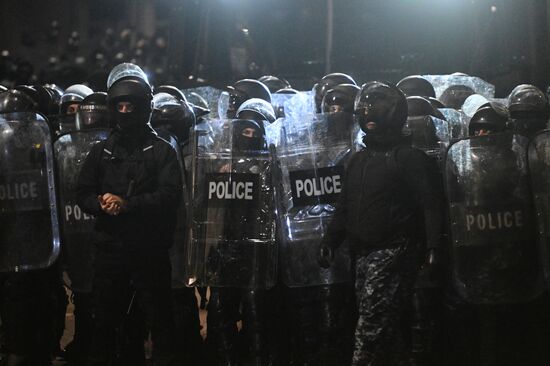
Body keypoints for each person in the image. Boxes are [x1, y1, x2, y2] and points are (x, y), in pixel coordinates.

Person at [319, 82, 445, 365]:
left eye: (376, 106)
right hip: (362, 254)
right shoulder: (359, 159)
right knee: (385, 331)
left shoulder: (409, 159)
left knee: (370, 331)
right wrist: (330, 240)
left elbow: (431, 205)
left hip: (394, 252)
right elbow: (344, 206)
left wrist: (434, 246)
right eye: (365, 106)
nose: (368, 112)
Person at [77, 63, 181, 366]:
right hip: (110, 252)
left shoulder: (162, 151)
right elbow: (82, 192)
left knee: (160, 325)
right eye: (119, 105)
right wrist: (101, 203)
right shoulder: (101, 151)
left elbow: (170, 195)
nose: (124, 111)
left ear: (143, 107)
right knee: (106, 326)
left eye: (130, 105)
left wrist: (128, 204)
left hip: (149, 252)